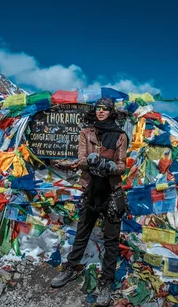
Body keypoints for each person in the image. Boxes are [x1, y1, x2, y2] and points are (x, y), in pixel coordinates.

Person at [50, 97, 128, 307]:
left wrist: (110, 166)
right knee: (82, 231)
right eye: (98, 108)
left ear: (111, 112)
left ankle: (106, 282)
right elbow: (82, 158)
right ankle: (72, 268)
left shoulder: (120, 136)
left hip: (112, 192)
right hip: (91, 189)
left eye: (105, 109)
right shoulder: (86, 132)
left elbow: (122, 165)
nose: (100, 111)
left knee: (111, 240)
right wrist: (92, 160)